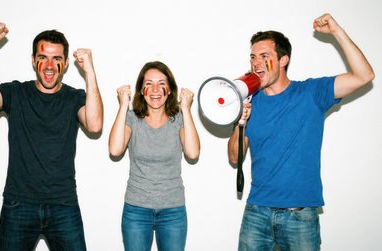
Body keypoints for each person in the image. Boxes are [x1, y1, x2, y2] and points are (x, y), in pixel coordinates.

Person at [228, 13, 374, 250]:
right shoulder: (249, 101)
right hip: (257, 213)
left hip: (300, 217)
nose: (256, 62)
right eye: (253, 57)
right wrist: (240, 122)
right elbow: (235, 157)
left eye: (264, 56)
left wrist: (337, 31)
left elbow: (364, 76)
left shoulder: (311, 93)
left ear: (283, 60)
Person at [0, 20, 103, 250]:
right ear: (33, 60)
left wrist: (90, 72)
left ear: (66, 63)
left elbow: (95, 124)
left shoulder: (74, 98)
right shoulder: (16, 93)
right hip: (19, 204)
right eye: (43, 58)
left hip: (63, 204)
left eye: (57, 59)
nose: (49, 65)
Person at [109, 61, 200, 251]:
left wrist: (186, 109)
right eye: (149, 84)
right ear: (141, 90)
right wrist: (123, 105)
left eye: (162, 83)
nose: (155, 89)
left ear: (170, 89)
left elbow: (193, 152)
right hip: (136, 209)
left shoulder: (179, 120)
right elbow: (115, 149)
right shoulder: (132, 118)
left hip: (173, 210)